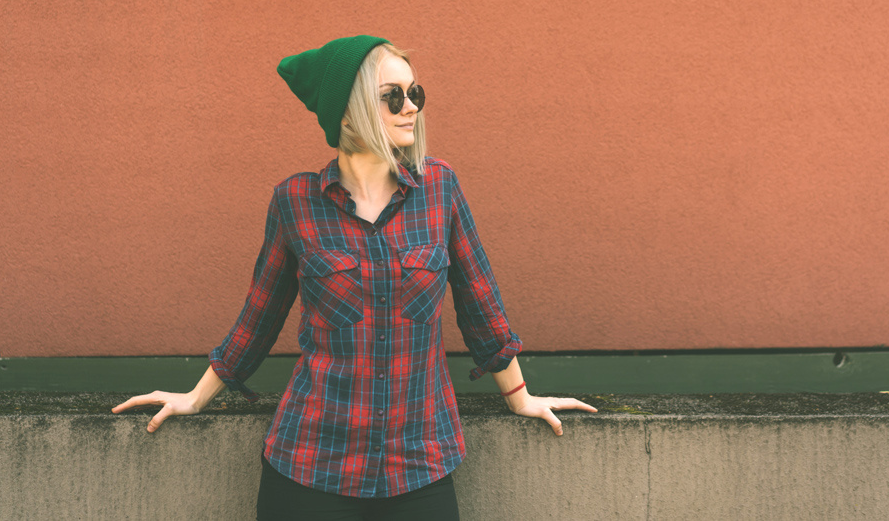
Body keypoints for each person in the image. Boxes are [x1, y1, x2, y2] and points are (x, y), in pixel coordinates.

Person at [112, 35, 597, 520]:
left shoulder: (440, 188)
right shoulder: (295, 202)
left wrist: (519, 398)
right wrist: (194, 398)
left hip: (419, 465)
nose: (410, 108)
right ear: (347, 113)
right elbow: (258, 318)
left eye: (415, 94)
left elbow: (479, 301)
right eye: (393, 96)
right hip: (310, 466)